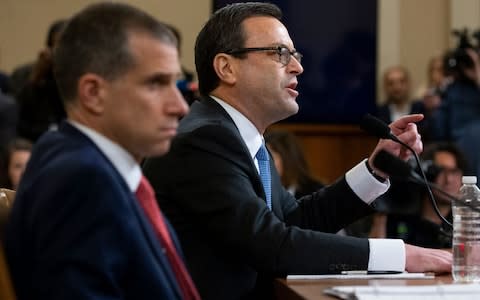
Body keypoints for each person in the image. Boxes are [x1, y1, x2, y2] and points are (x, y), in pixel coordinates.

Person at [142, 3, 451, 300]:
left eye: (294, 54)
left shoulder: (237, 135)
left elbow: (294, 220)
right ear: (226, 67)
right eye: (280, 53)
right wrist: (404, 254)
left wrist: (376, 170)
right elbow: (273, 243)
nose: (298, 66)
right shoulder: (204, 140)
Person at [5, 3, 198, 300]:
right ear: (93, 93)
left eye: (176, 83)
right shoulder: (82, 180)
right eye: (156, 83)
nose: (180, 106)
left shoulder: (74, 155)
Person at [369, 142, 466, 248]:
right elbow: (376, 255)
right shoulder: (400, 215)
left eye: (454, 172)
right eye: (441, 171)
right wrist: (381, 217)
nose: (449, 180)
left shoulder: (466, 221)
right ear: (424, 174)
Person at [15, 19, 67, 142]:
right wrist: (37, 76)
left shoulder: (82, 73)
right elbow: (18, 109)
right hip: (33, 138)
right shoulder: (26, 73)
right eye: (58, 45)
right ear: (49, 48)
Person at [265, 130, 324, 198]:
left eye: (270, 157)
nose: (264, 165)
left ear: (287, 159)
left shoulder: (316, 193)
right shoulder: (258, 192)